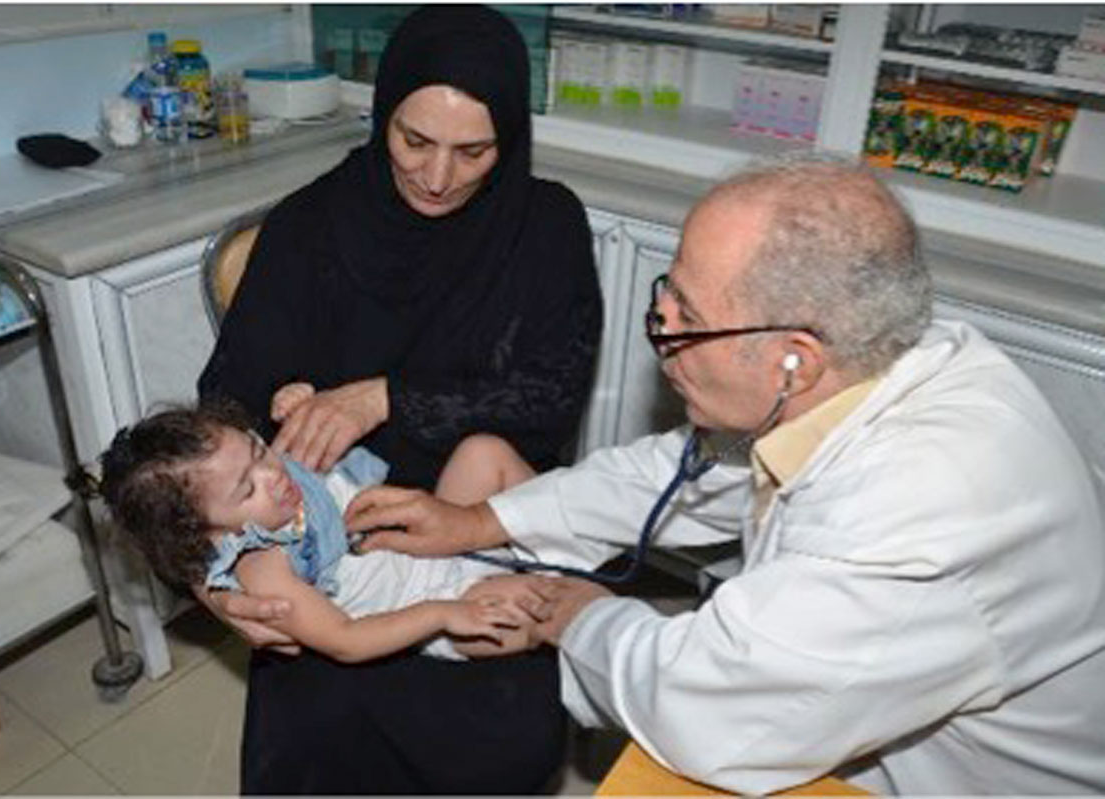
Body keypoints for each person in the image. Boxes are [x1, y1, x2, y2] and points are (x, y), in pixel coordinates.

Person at [345, 153, 1105, 795]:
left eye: (688, 317)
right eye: (667, 295)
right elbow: (678, 474)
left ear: (794, 359)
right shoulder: (868, 363)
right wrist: (479, 521)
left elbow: (704, 711)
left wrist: (575, 617)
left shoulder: (921, 516)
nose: (661, 332)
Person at [196, 5, 602, 792]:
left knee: (510, 735)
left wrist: (388, 398)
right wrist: (210, 575)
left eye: (473, 150)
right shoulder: (309, 225)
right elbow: (223, 408)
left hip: (485, 513)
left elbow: (551, 398)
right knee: (315, 728)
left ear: (511, 137)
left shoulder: (548, 226)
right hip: (328, 536)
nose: (438, 176)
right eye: (414, 141)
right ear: (382, 115)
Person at [97, 398, 550, 664]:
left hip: (434, 537)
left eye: (257, 449)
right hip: (433, 600)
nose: (273, 474)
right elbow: (346, 640)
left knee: (484, 452)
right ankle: (557, 581)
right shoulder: (264, 568)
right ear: (209, 535)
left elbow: (301, 450)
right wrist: (442, 614)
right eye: (247, 489)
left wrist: (299, 401)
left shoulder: (277, 475)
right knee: (528, 613)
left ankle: (564, 550)